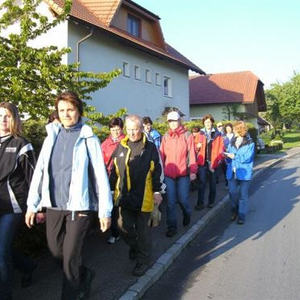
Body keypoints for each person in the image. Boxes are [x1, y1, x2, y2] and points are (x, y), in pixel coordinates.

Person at [25, 91, 113, 299]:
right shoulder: (51, 137)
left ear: (79, 111)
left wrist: (104, 211)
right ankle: (84, 275)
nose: (66, 114)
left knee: (70, 256)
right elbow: (39, 171)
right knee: (56, 251)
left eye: (70, 110)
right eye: (62, 110)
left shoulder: (88, 137)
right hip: (54, 204)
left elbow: (100, 175)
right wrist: (32, 205)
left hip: (79, 207)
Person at [110, 115, 164, 276]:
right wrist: (112, 190)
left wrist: (157, 191)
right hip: (124, 197)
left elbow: (157, 171)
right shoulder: (121, 146)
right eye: (129, 129)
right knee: (122, 227)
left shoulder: (150, 148)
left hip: (144, 197)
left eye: (135, 129)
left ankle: (143, 261)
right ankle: (135, 247)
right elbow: (114, 171)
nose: (132, 133)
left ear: (141, 128)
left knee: (143, 232)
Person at [0, 102, 36, 299]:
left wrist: (36, 207)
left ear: (14, 119)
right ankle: (28, 266)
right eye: (0, 116)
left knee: (0, 254)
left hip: (12, 206)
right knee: (2, 249)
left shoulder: (21, 144)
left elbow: (33, 177)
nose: (3, 120)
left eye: (7, 116)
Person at [160, 111, 197, 238]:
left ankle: (187, 213)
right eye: (170, 121)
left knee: (183, 200)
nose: (173, 123)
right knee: (170, 202)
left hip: (183, 174)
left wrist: (193, 171)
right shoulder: (165, 137)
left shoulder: (187, 135)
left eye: (175, 120)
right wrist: (159, 172)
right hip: (169, 174)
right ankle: (172, 227)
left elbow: (192, 154)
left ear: (179, 121)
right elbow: (161, 155)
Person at [101, 117, 125, 244]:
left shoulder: (127, 142)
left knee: (124, 206)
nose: (115, 132)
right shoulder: (105, 144)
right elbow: (99, 161)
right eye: (113, 129)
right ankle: (115, 233)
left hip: (125, 179)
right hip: (110, 179)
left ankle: (128, 231)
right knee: (113, 207)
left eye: (118, 129)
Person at [225, 121, 255, 224]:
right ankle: (234, 210)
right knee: (232, 193)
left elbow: (247, 158)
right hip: (232, 172)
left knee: (243, 195)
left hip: (244, 173)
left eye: (234, 129)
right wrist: (226, 157)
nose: (233, 131)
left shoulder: (250, 143)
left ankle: (241, 215)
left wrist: (235, 156)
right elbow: (229, 155)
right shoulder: (232, 141)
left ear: (239, 130)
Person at [195, 114, 224, 210]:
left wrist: (216, 162)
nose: (208, 124)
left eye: (209, 122)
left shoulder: (217, 134)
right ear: (203, 123)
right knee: (202, 183)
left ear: (212, 122)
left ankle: (211, 202)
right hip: (202, 162)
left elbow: (221, 149)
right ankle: (200, 203)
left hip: (213, 162)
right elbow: (194, 147)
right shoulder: (200, 134)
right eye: (206, 122)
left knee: (212, 184)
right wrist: (197, 146)